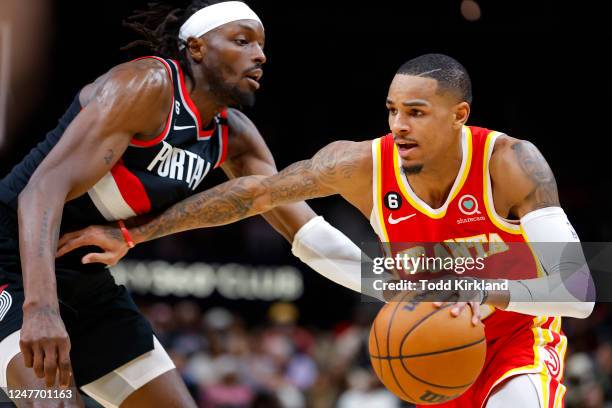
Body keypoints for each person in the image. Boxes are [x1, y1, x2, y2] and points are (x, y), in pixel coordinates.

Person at [61, 53, 595, 407]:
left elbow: (578, 291)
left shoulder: (510, 161)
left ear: (459, 115)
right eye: (392, 111)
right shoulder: (361, 164)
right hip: (437, 347)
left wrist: (470, 281)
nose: (398, 125)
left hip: (516, 342)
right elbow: (257, 193)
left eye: (416, 112)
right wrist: (134, 234)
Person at [0, 1, 361, 406]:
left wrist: (396, 288)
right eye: (242, 41)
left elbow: (306, 232)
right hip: (13, 255)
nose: (259, 55)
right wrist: (41, 307)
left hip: (82, 275)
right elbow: (40, 190)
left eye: (261, 46)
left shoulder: (235, 136)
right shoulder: (145, 85)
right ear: (196, 47)